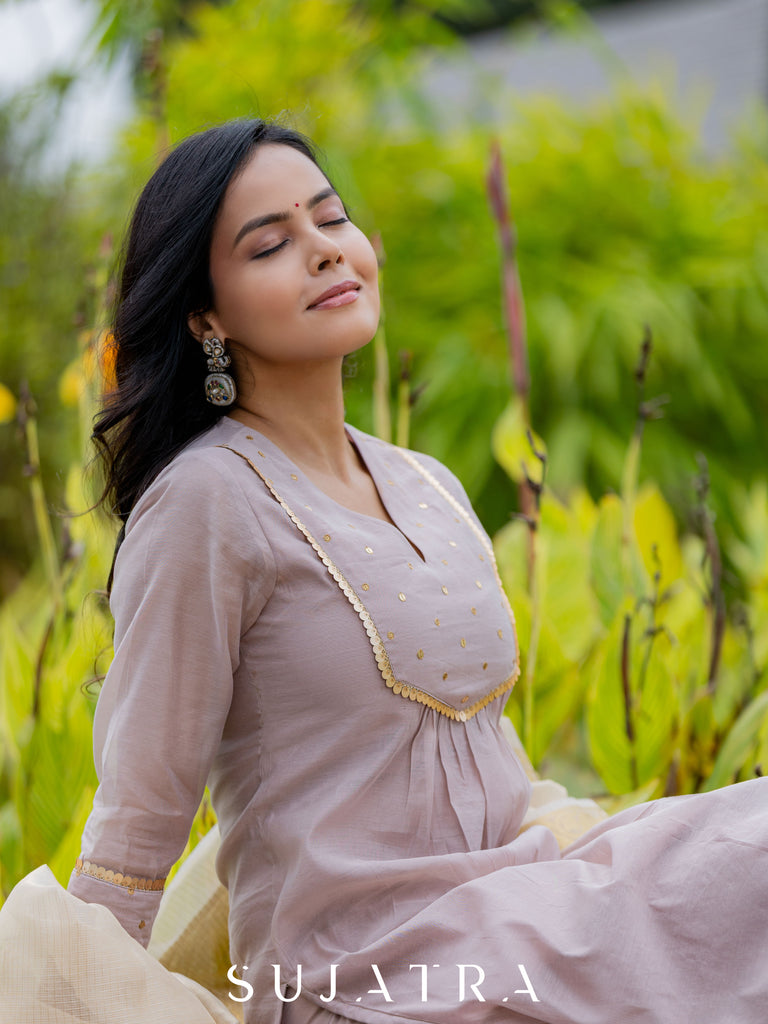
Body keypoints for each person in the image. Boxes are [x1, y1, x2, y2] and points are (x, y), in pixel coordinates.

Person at [52, 117, 766, 1024]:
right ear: (206, 318)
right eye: (270, 244)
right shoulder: (207, 502)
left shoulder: (425, 482)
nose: (322, 252)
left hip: (525, 906)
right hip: (371, 976)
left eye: (332, 219)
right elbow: (135, 828)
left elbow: (488, 769)